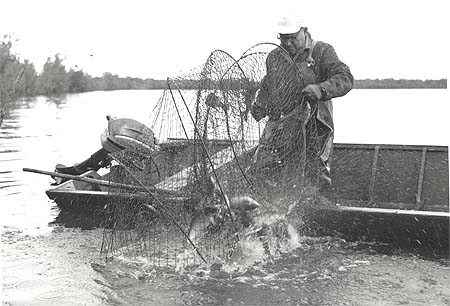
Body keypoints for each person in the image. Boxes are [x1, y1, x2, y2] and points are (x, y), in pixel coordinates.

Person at [250, 16, 354, 202]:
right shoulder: (274, 57)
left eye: (292, 37)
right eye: (283, 38)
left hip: (315, 125)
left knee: (315, 174)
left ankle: (324, 212)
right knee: (263, 166)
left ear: (304, 32)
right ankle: (275, 210)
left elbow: (345, 78)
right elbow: (268, 86)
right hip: (282, 125)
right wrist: (260, 105)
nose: (288, 43)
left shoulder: (323, 51)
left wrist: (321, 89)